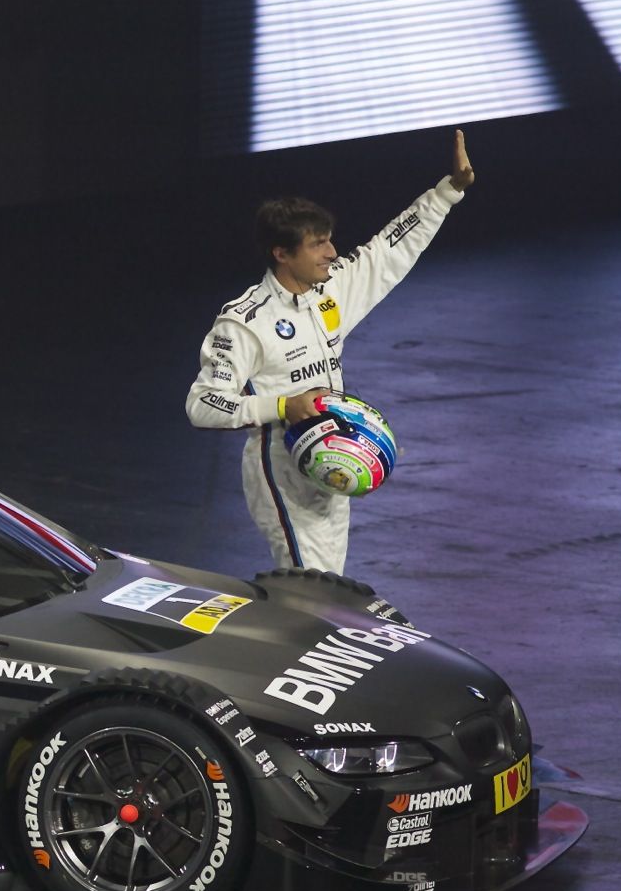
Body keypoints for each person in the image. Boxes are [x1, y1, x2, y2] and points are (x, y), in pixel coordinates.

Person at [185, 129, 476, 573]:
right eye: (318, 244)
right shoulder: (244, 322)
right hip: (282, 470)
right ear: (281, 253)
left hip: (328, 459)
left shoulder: (329, 289)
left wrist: (448, 191)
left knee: (322, 586)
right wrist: (283, 404)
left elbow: (389, 250)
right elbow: (202, 405)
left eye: (329, 239)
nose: (331, 252)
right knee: (309, 588)